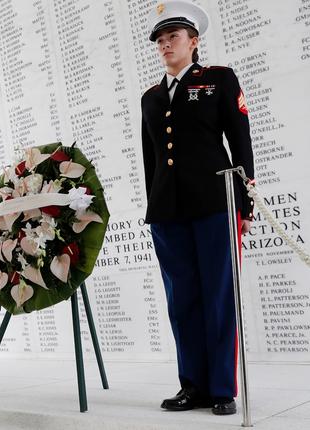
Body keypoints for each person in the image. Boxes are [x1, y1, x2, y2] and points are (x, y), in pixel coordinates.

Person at [141, 0, 255, 416]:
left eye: (172, 37)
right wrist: (153, 205)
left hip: (214, 205)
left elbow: (240, 142)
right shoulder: (151, 97)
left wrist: (244, 203)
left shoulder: (218, 80)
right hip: (168, 212)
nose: (165, 44)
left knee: (219, 297)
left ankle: (222, 388)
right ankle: (193, 385)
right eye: (160, 40)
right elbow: (151, 161)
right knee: (181, 300)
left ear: (194, 41)